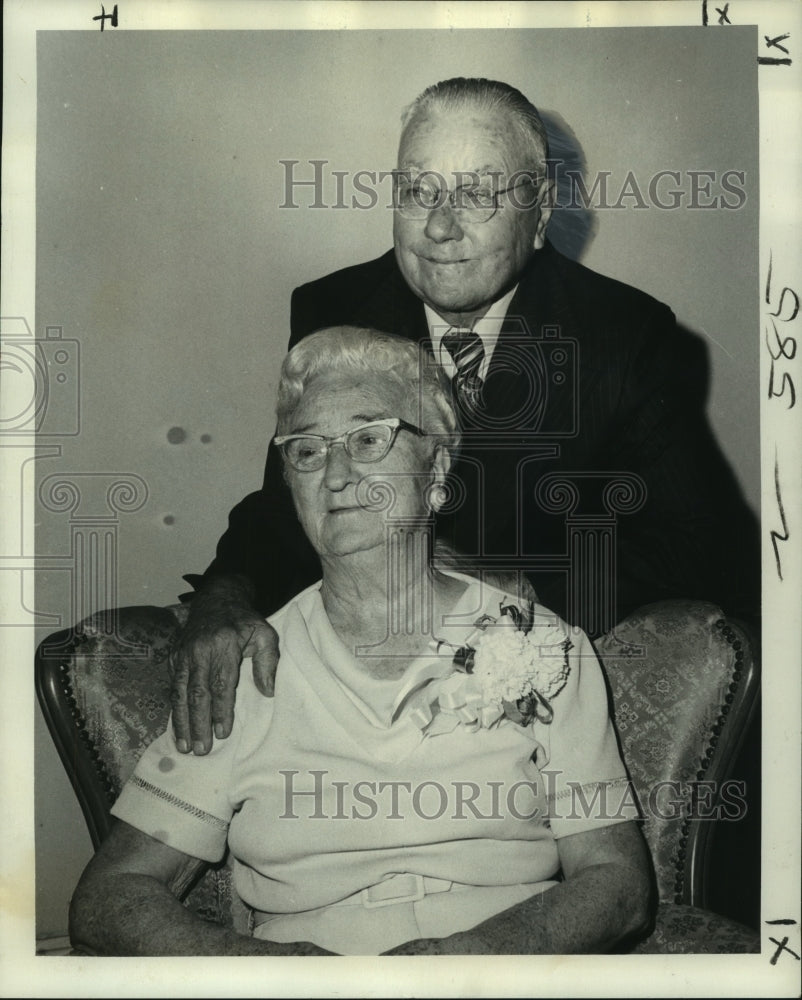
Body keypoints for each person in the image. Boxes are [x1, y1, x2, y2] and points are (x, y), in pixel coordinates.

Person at [171, 76, 759, 755]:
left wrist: (507, 589)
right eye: (419, 192)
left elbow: (695, 546)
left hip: (524, 698)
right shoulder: (337, 309)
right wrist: (223, 593)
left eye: (478, 194)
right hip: (358, 691)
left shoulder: (624, 334)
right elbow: (287, 505)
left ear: (539, 216)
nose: (441, 227)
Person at [69, 328, 653, 956]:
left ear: (437, 467)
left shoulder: (544, 648)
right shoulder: (242, 667)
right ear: (290, 485)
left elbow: (618, 882)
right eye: (307, 452)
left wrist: (471, 958)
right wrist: (262, 968)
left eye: (369, 439)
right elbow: (110, 894)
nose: (338, 475)